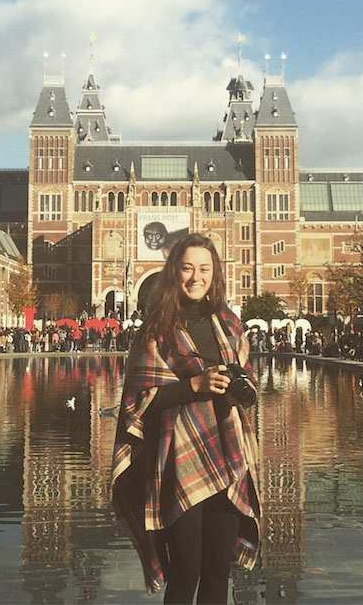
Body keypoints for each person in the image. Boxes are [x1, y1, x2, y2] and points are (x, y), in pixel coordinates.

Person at [111, 233, 261, 604]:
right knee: (185, 573)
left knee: (218, 572)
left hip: (228, 459)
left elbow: (248, 381)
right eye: (188, 268)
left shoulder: (229, 324)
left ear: (215, 273)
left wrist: (242, 390)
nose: (197, 277)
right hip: (178, 463)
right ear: (174, 272)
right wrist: (194, 385)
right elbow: (137, 401)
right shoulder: (156, 330)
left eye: (204, 269)